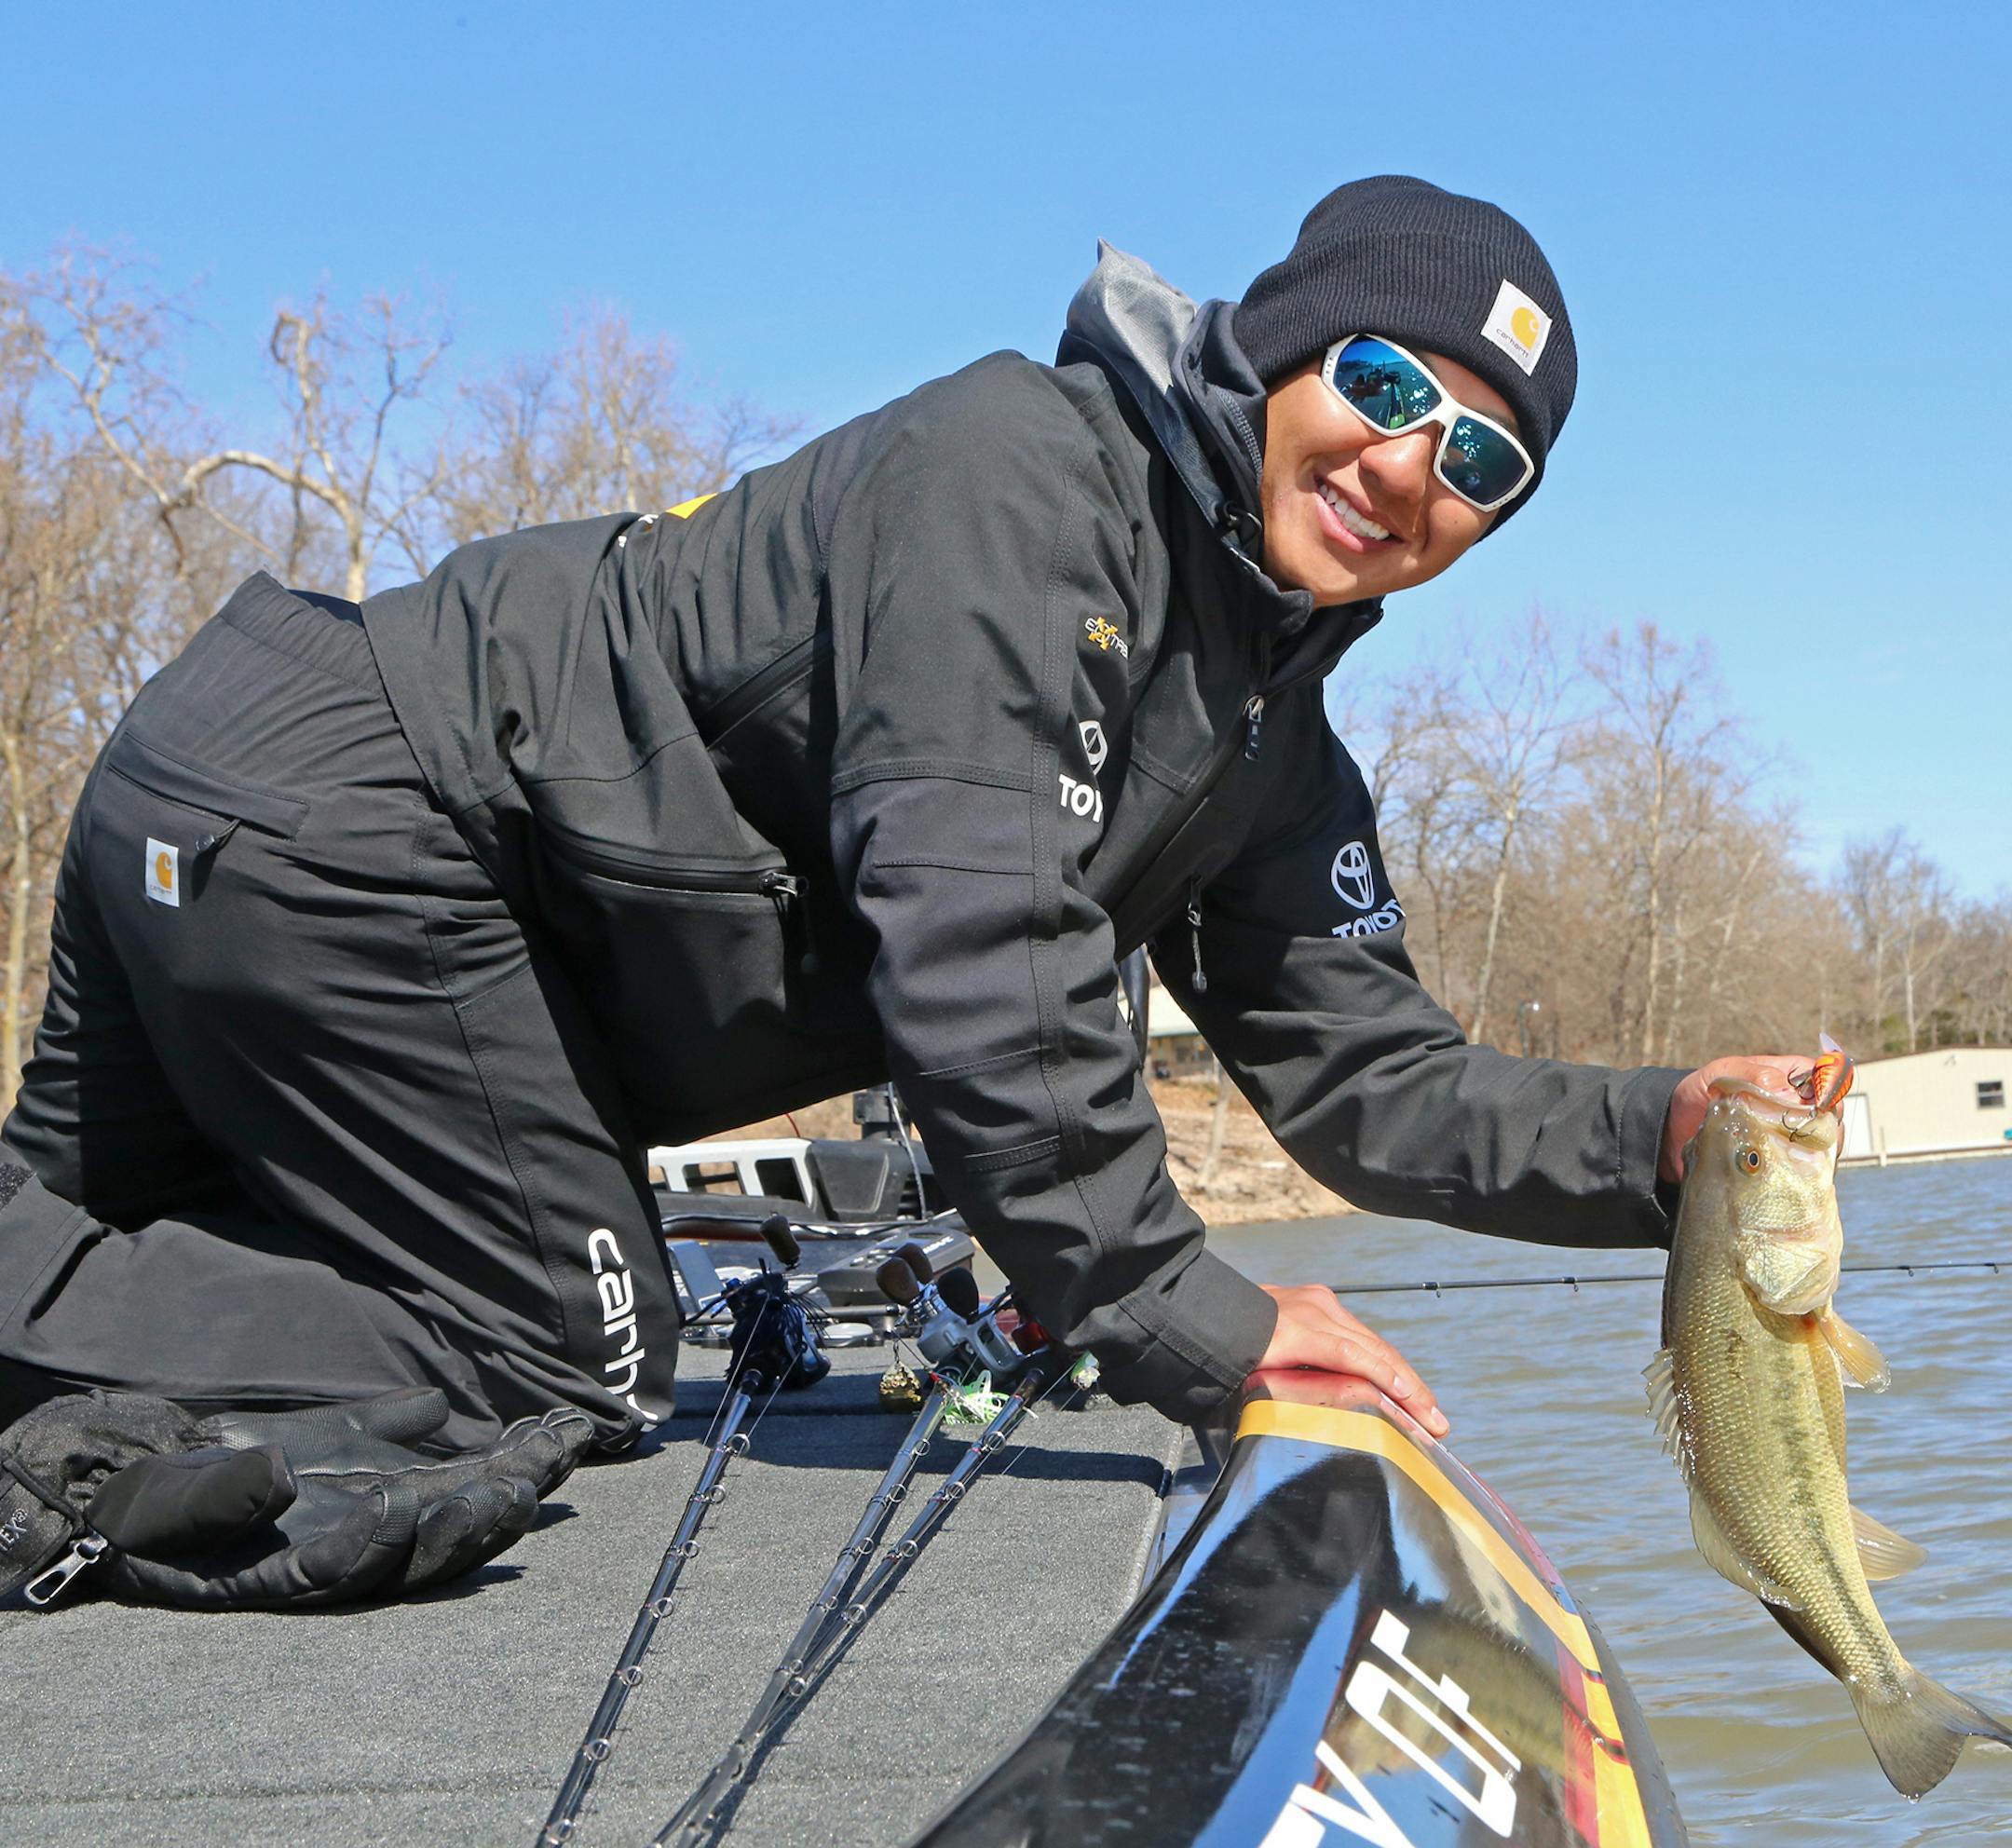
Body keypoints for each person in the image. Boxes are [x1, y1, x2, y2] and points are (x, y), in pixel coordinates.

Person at [0, 176, 1827, 1605]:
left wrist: (1665, 1137)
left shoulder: (1268, 738)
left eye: (1483, 462)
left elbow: (1373, 1077)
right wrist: (1193, 1318)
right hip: (355, 820)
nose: (1407, 465)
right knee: (554, 1352)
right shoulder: (1028, 483)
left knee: (67, 1260)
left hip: (248, 809)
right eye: (1380, 384)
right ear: (1282, 351)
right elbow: (981, 943)